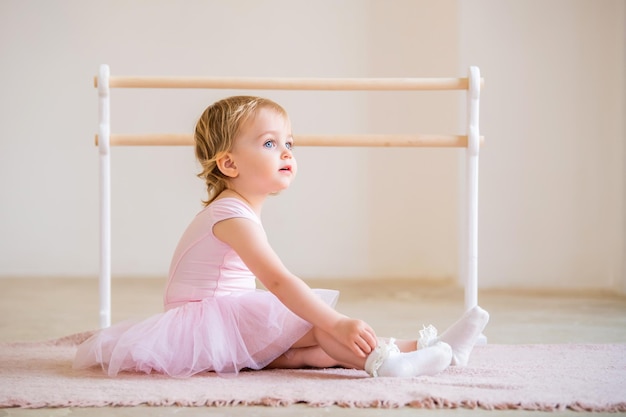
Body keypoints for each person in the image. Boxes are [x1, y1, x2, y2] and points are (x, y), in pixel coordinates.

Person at [74, 96, 489, 378]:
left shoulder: (238, 209)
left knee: (312, 353)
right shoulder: (230, 216)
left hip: (221, 320)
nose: (287, 152)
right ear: (230, 163)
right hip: (208, 322)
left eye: (289, 142)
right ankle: (389, 362)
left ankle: (427, 349)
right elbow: (277, 281)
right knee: (313, 325)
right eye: (270, 143)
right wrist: (336, 320)